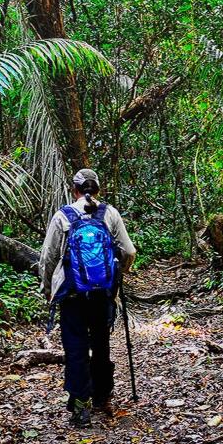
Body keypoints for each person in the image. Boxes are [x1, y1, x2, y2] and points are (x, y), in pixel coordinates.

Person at [40, 169, 136, 426]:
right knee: (101, 342)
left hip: (72, 293)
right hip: (103, 293)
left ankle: (81, 407)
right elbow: (129, 251)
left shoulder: (63, 215)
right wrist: (116, 273)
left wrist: (48, 288)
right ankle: (102, 395)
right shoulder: (109, 213)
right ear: (98, 189)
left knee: (76, 347)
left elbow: (48, 257)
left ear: (74, 190)